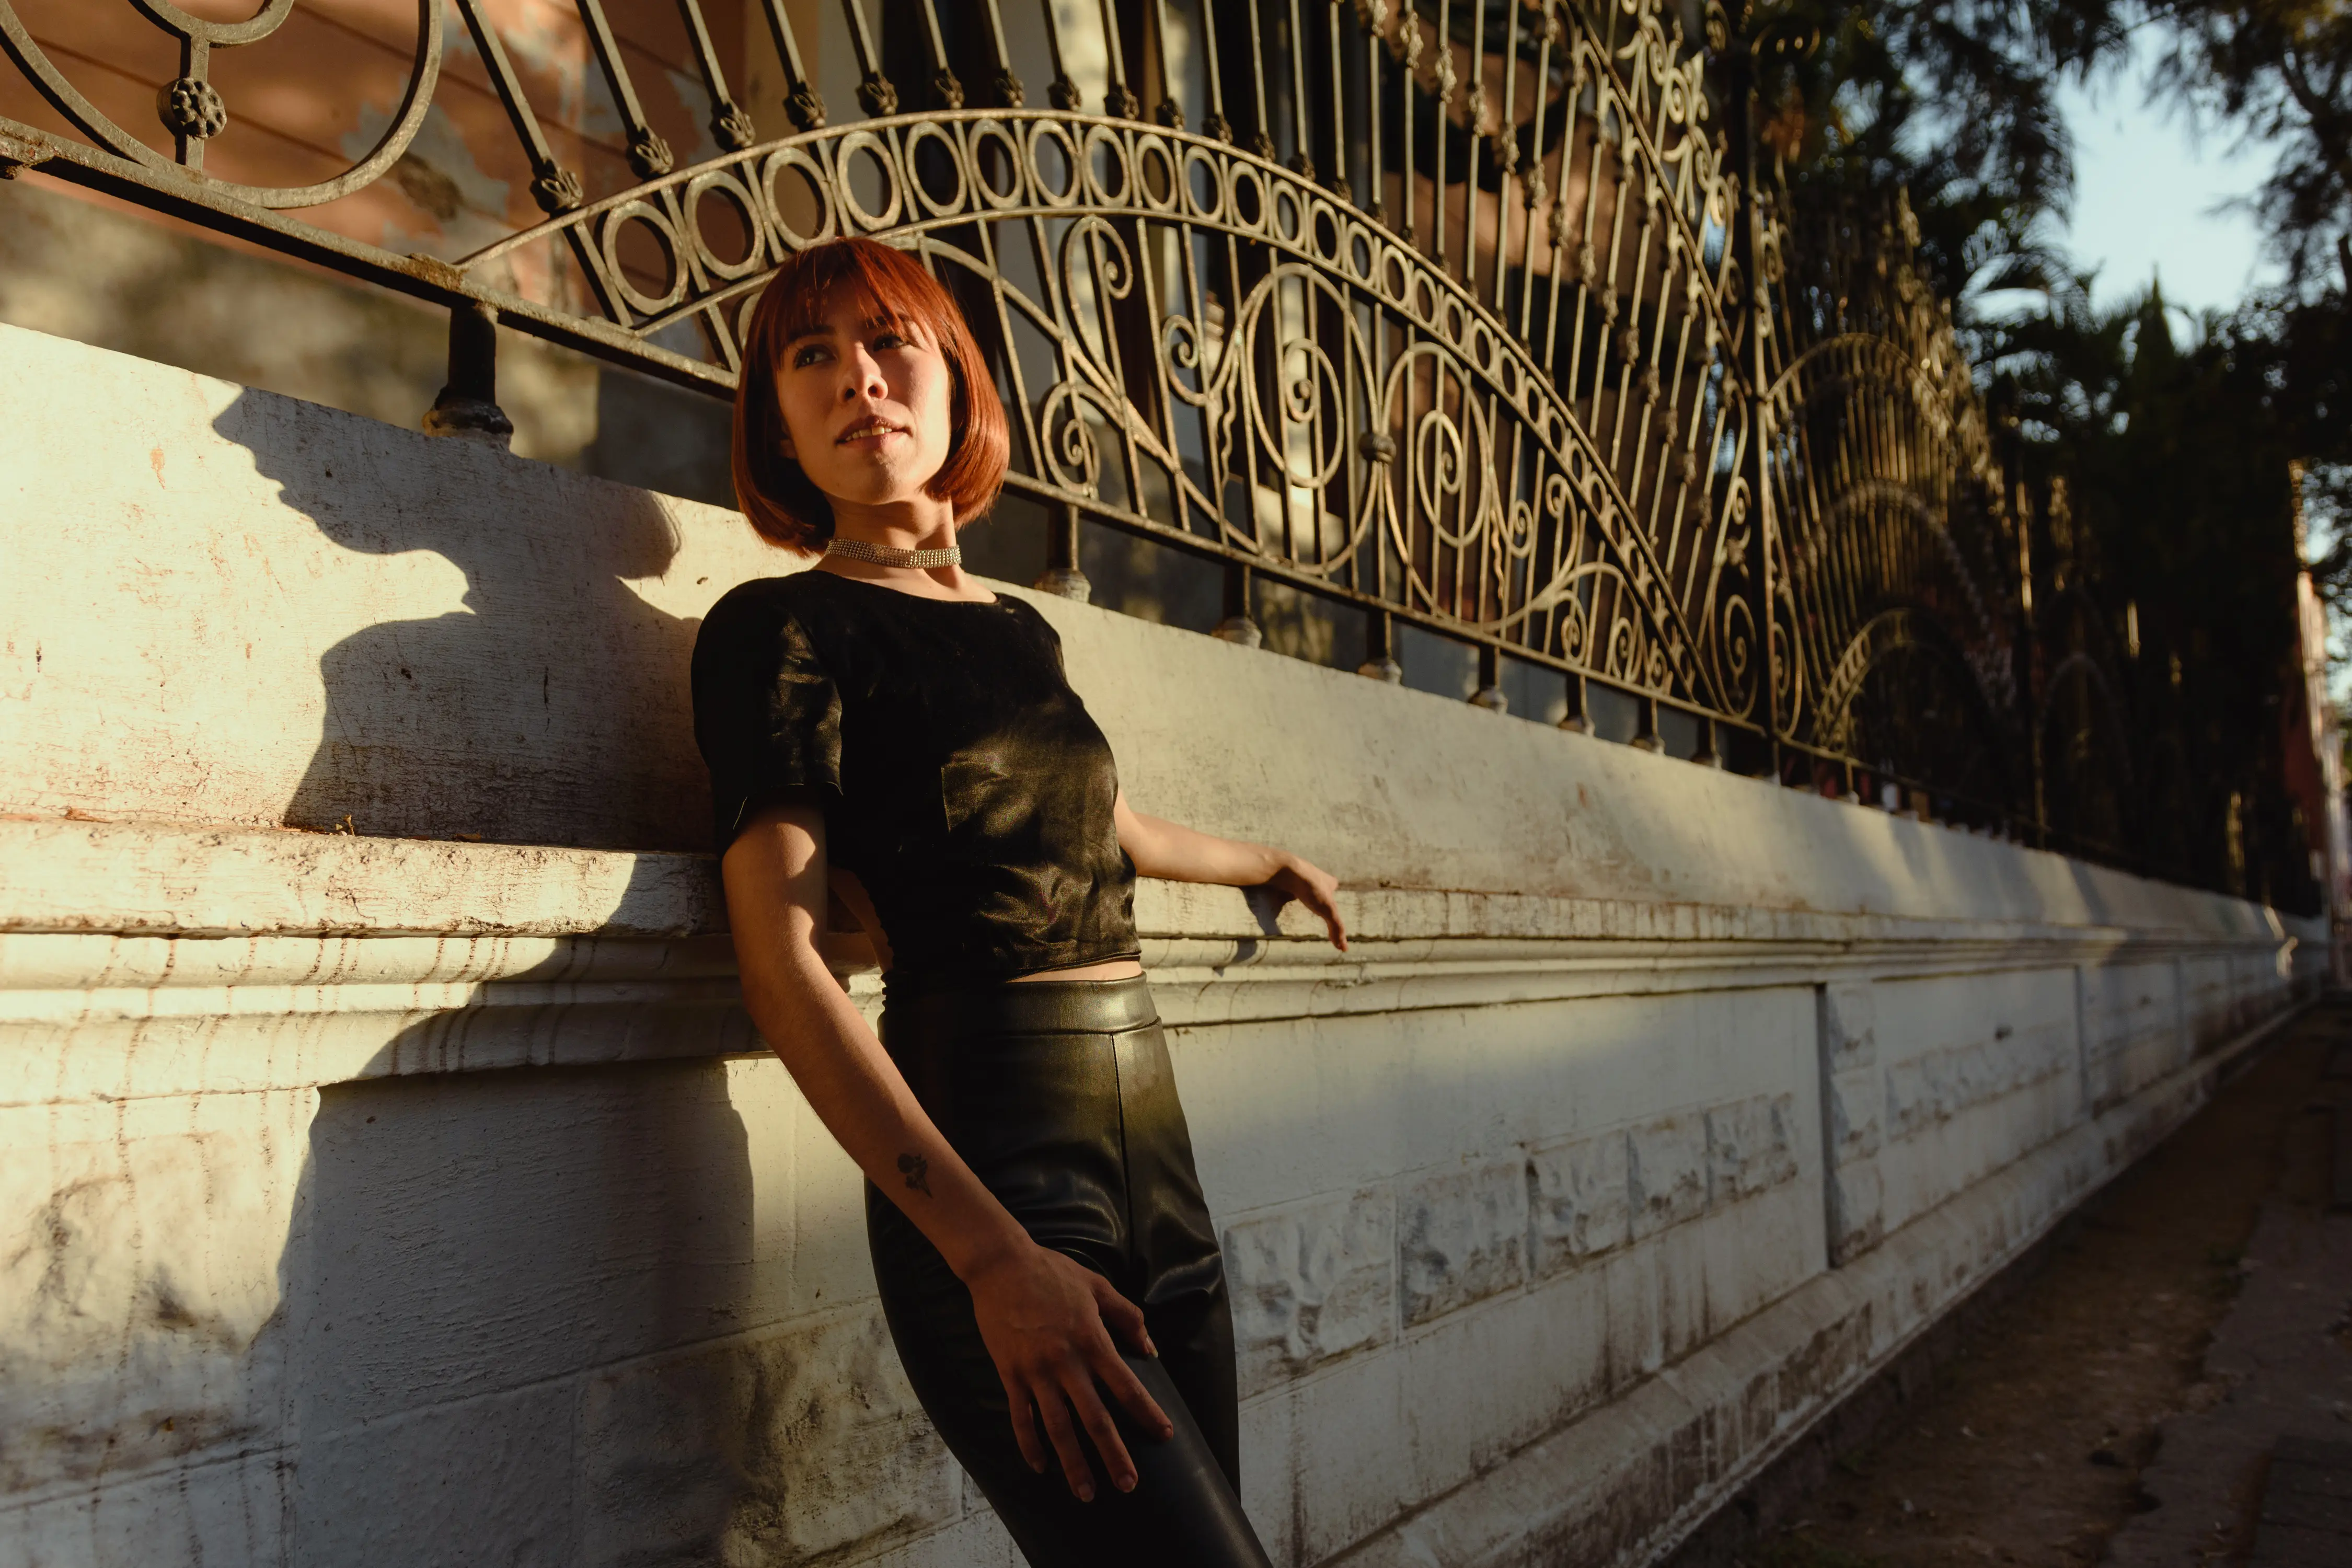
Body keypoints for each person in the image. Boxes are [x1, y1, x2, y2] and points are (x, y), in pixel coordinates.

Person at [690, 236, 1346, 1568]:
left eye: (890, 345)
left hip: (1154, 1147)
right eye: (811, 357)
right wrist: (992, 1261)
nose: (858, 380)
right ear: (775, 420)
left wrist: (1263, 862)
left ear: (953, 383)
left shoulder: (1015, 627)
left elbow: (1106, 825)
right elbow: (784, 965)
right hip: (995, 1155)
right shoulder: (780, 630)